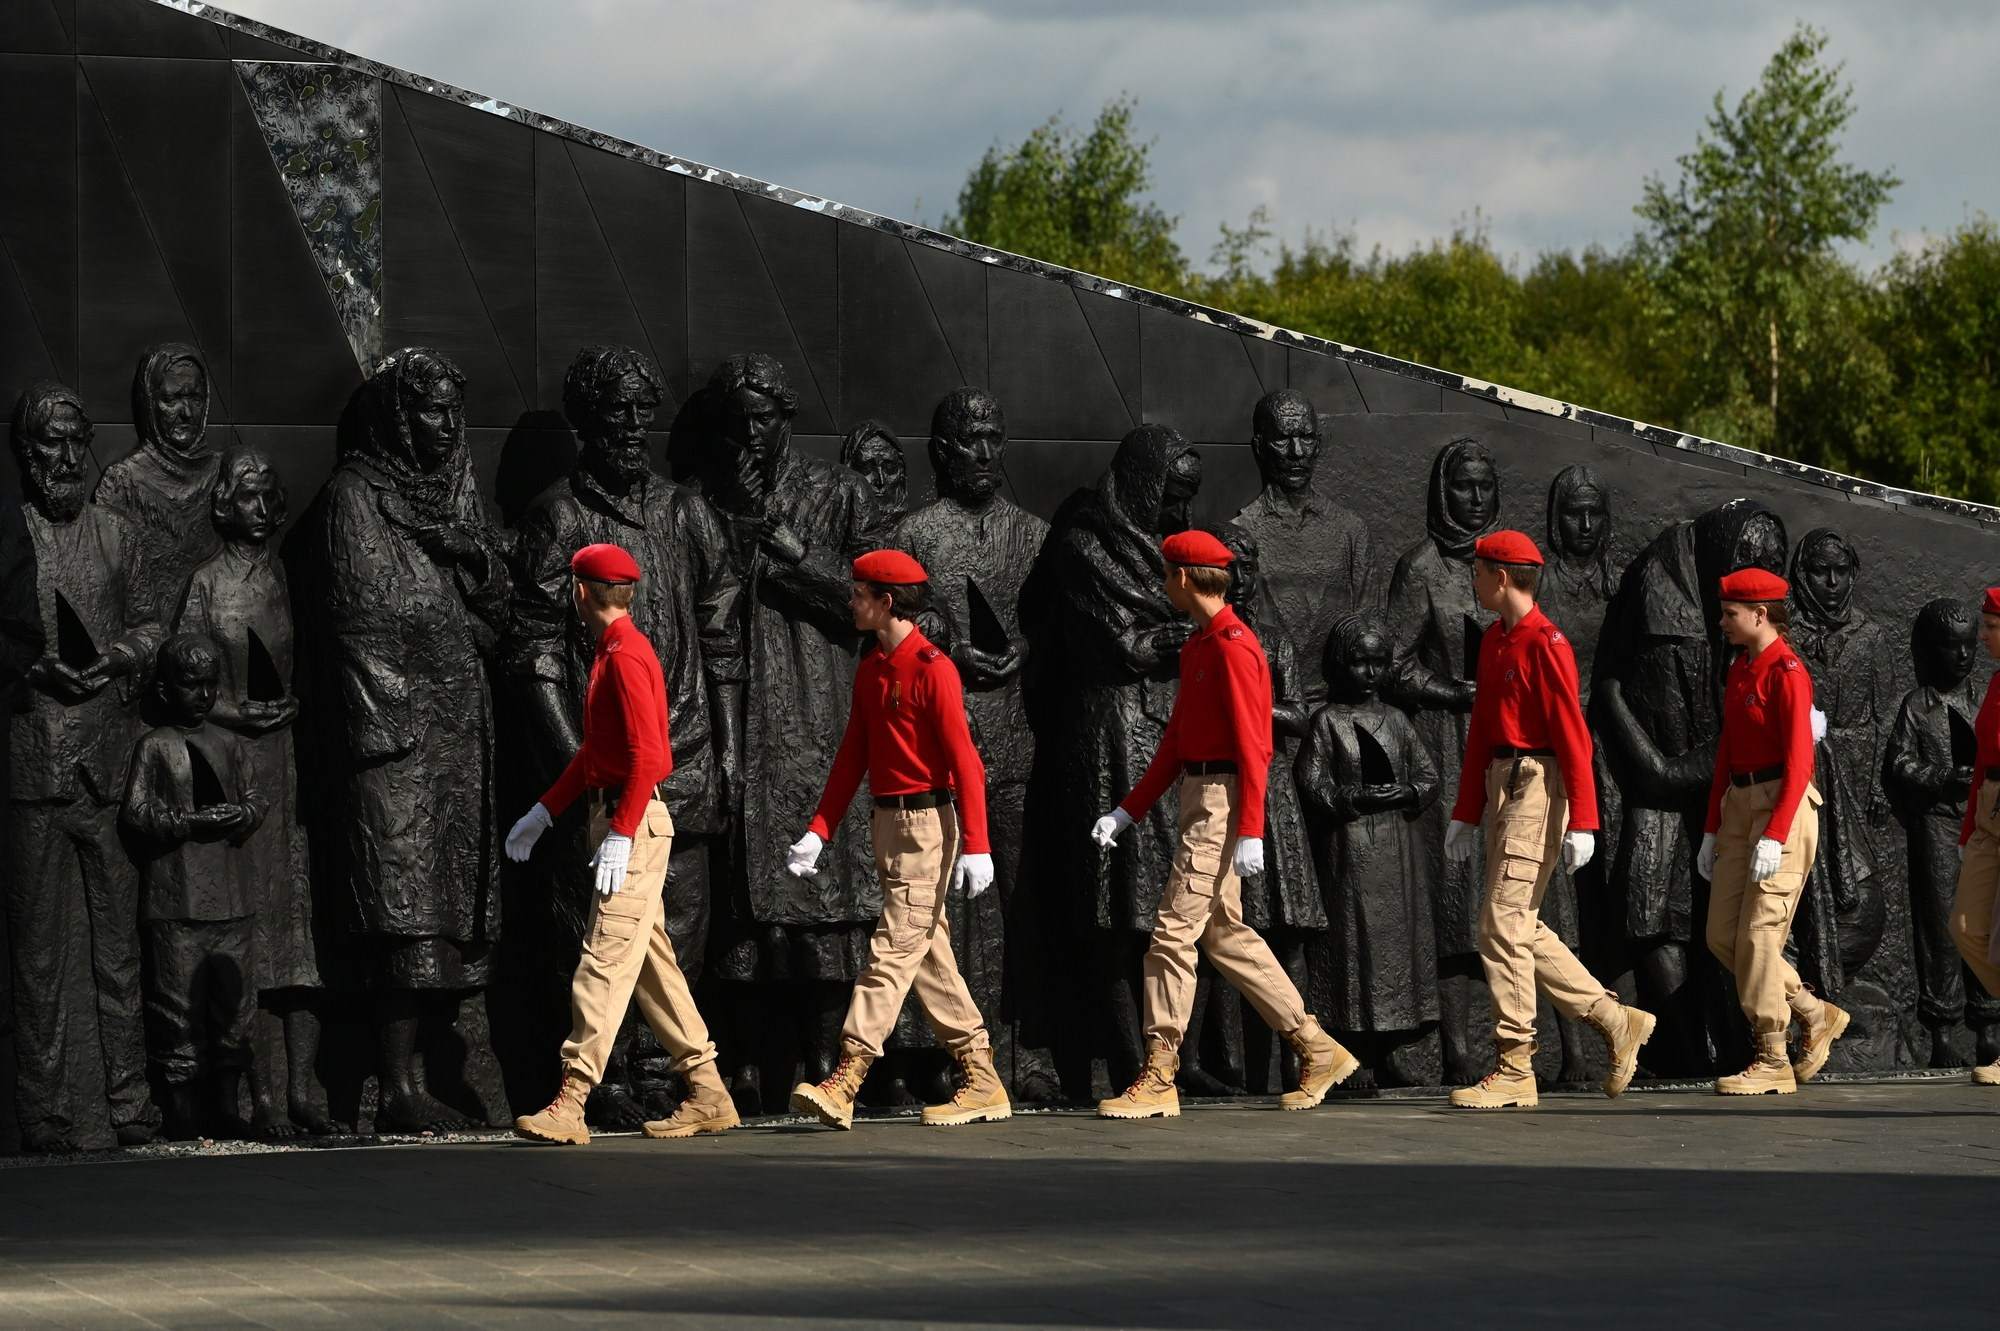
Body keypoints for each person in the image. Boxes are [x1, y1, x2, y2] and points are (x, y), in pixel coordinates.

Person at [1090, 529, 1357, 1119]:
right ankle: (1315, 1046)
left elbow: (1255, 745)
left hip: (1223, 800)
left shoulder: (1235, 647)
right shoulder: (1199, 646)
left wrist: (1252, 829)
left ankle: (1160, 1073)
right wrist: (1126, 811)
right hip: (1198, 792)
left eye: (1166, 575)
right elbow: (1177, 742)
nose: (1164, 585)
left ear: (1184, 578)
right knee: (1224, 935)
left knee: (1171, 933)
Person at [507, 544, 736, 1144]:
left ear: (580, 592)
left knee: (602, 960)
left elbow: (651, 757)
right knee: (653, 967)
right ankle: (709, 1092)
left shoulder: (627, 655)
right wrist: (544, 811)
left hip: (631, 823)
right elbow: (598, 756)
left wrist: (623, 832)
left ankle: (571, 1101)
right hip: (616, 817)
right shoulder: (614, 651)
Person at [785, 549, 1009, 1131]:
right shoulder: (872, 668)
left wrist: (979, 844)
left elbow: (966, 763)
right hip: (889, 825)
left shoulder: (932, 667)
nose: (851, 602)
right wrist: (819, 829)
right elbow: (853, 755)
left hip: (928, 826)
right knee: (927, 954)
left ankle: (848, 1075)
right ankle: (982, 1078)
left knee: (890, 952)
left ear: (886, 602)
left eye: (859, 594)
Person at [1443, 530, 1653, 1109]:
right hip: (1503, 782)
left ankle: (1514, 1065)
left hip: (1539, 782)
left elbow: (1572, 735)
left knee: (1501, 920)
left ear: (1503, 576)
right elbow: (1483, 728)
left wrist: (1583, 818)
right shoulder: (1495, 641)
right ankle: (1615, 1019)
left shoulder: (1546, 643)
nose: (1475, 580)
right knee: (1517, 925)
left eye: (1480, 571)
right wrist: (1467, 811)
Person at [8, 381, 162, 1152]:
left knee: (118, 948)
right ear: (26, 458)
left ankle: (128, 1101)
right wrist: (34, 669)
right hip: (35, 765)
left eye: (75, 442)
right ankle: (44, 1110)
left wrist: (119, 656)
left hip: (106, 760)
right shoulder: (14, 536)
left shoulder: (117, 532)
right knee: (37, 955)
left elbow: (149, 621)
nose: (65, 459)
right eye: (49, 447)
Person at [174, 449, 333, 1137]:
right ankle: (262, 1094)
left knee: (299, 934)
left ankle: (307, 1088)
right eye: (249, 496)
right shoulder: (207, 584)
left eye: (273, 494)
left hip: (290, 763)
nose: (264, 508)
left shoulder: (288, 576)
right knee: (258, 934)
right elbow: (182, 679)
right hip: (237, 763)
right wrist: (235, 713)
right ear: (222, 506)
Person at [1697, 567, 1846, 1095]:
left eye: (1730, 614)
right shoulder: (1741, 669)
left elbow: (1801, 760)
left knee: (1760, 936)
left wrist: (1776, 833)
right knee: (1723, 936)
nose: (1722, 623)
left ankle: (1773, 1056)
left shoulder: (1787, 672)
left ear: (1760, 615)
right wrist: (1713, 829)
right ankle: (1811, 1010)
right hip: (1740, 806)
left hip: (1781, 807)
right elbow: (1726, 754)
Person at [121, 633, 267, 1140]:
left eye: (209, 685)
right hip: (176, 900)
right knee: (176, 1007)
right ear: (165, 690)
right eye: (190, 685)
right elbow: (137, 815)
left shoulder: (229, 743)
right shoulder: (154, 747)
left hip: (231, 898)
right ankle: (179, 1111)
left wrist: (240, 813)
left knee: (233, 1007)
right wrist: (188, 821)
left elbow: (255, 801)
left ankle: (226, 1106)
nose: (202, 695)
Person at [1296, 611, 1440, 1085]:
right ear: (1341, 664)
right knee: (1352, 942)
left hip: (1397, 850)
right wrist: (1350, 797)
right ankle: (1351, 1043)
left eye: (1379, 663)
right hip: (1350, 849)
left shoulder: (1397, 720)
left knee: (1397, 943)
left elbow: (1428, 777)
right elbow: (1312, 781)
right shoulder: (1327, 721)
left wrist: (1406, 793)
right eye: (1360, 662)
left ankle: (1398, 1043)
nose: (1371, 673)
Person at [1948, 588, 2000, 1086]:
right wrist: (1969, 830)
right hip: (1990, 812)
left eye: (1990, 627)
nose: (1982, 636)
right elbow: (1983, 761)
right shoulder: (1996, 684)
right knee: (1965, 925)